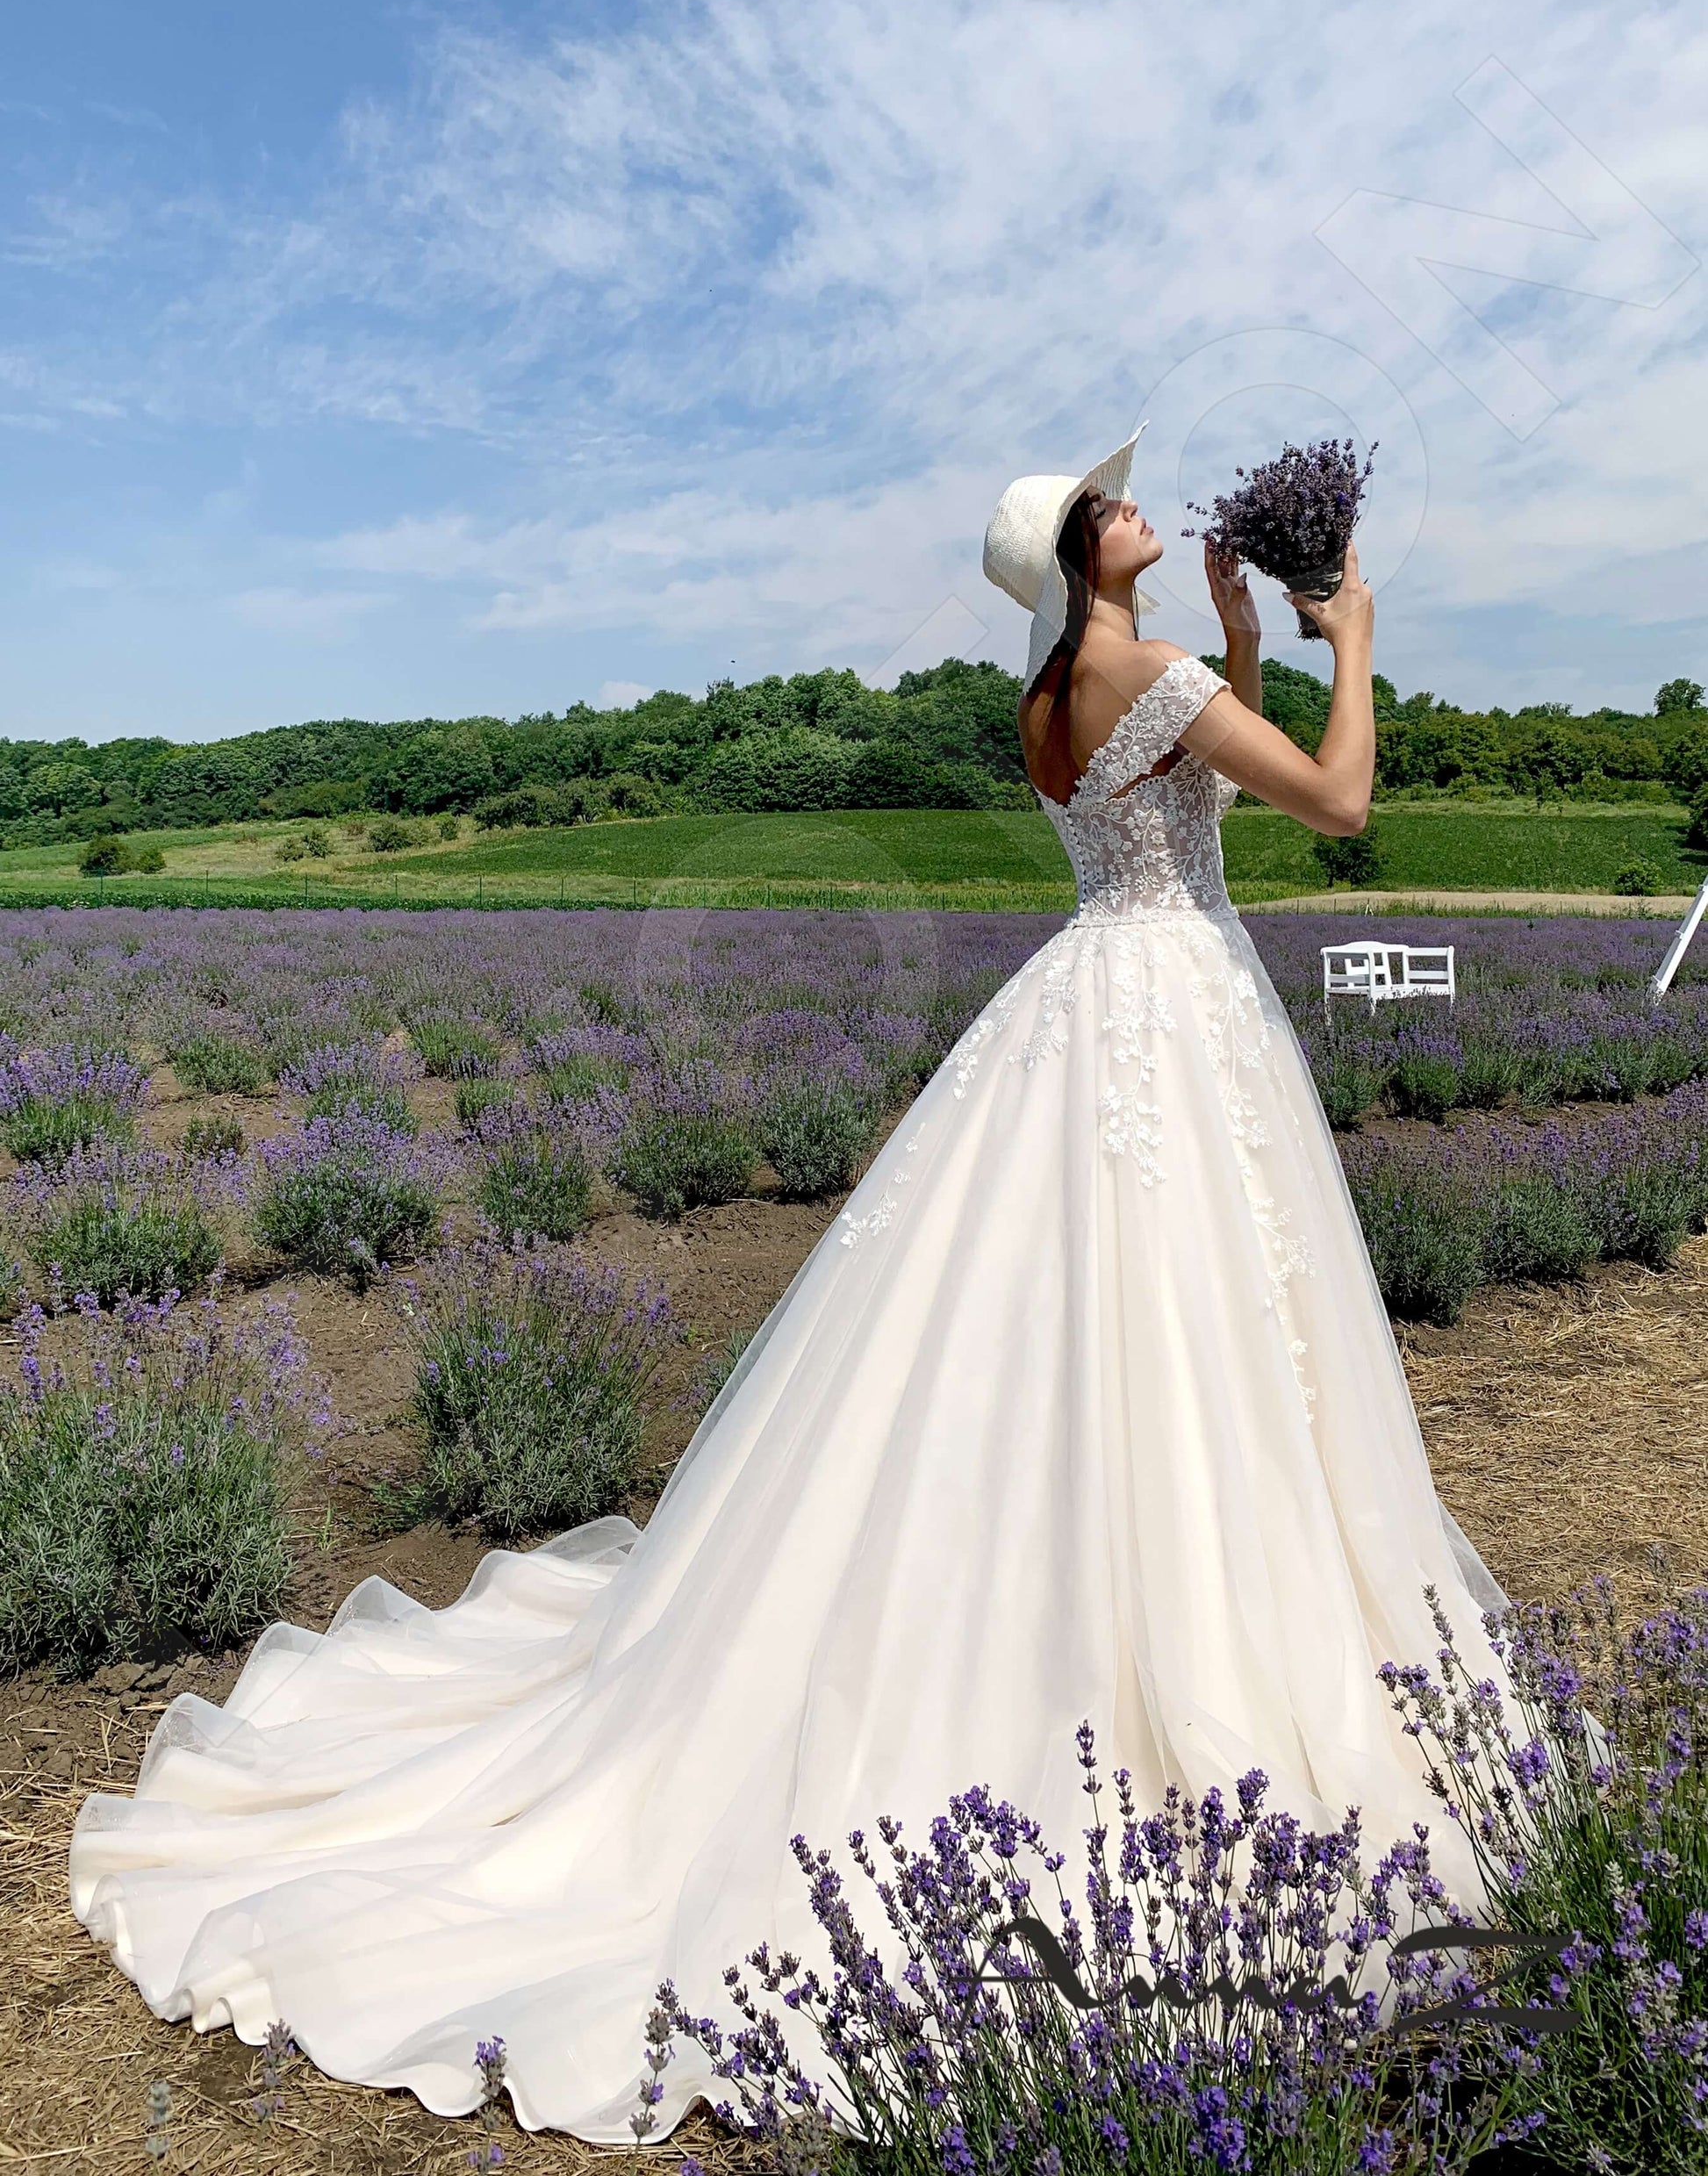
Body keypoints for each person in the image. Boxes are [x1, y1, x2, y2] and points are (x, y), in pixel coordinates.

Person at [70, 435, 1514, 2144]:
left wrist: (1237, 638)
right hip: (1178, 1026)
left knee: (1094, 1347)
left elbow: (1183, 794)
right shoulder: (1142, 667)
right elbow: (1331, 803)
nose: (1138, 503)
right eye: (1106, 504)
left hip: (1096, 1009)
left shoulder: (1068, 688)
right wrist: (1349, 640)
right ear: (1073, 554)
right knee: (1189, 1342)